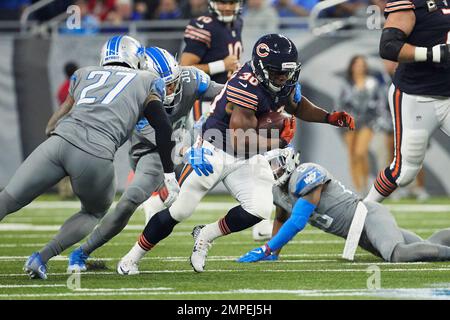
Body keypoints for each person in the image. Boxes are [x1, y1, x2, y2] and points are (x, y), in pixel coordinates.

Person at [117, 34, 355, 275]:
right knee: (181, 209)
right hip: (215, 146)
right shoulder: (246, 85)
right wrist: (279, 140)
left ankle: (206, 235)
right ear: (262, 69)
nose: (283, 77)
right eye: (276, 72)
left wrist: (329, 117)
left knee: (260, 209)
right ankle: (130, 258)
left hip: (245, 154)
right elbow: (240, 138)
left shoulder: (283, 80)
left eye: (287, 72)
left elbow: (297, 105)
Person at [0, 35, 179, 280]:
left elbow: (56, 119)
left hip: (58, 143)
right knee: (94, 212)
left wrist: (54, 132)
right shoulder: (146, 79)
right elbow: (163, 127)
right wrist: (169, 173)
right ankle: (41, 258)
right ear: (136, 58)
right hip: (94, 154)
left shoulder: (84, 73)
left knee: (8, 199)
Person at [66, 47, 224, 272]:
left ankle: (159, 198)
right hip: (152, 153)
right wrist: (188, 151)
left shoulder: (190, 79)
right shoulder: (137, 96)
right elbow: (164, 141)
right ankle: (82, 252)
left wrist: (246, 95)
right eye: (165, 85)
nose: (172, 90)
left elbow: (224, 92)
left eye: (174, 82)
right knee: (129, 201)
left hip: (187, 146)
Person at [237, 151, 450, 263]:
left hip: (368, 217)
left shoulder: (305, 173)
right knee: (427, 246)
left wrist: (266, 248)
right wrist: (274, 253)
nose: (273, 171)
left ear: (289, 161)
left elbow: (297, 221)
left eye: (275, 165)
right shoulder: (279, 193)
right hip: (358, 235)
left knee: (398, 255)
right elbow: (281, 219)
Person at [365, 0, 450, 203]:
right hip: (417, 96)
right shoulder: (412, 3)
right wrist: (431, 54)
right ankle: (362, 212)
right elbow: (389, 46)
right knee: (404, 171)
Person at [338, 55, 383, 194]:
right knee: (352, 155)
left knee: (361, 152)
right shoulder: (346, 84)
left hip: (367, 122)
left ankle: (365, 184)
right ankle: (358, 188)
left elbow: (379, 103)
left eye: (362, 64)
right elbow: (340, 103)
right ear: (352, 67)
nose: (359, 67)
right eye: (357, 64)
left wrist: (376, 119)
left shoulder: (373, 83)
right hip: (349, 124)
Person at [180, 0, 243, 85]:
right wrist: (222, 65)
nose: (228, 8)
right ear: (213, 3)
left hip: (230, 89)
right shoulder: (204, 26)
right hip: (207, 92)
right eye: (223, 3)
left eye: (232, 3)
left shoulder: (238, 23)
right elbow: (185, 69)